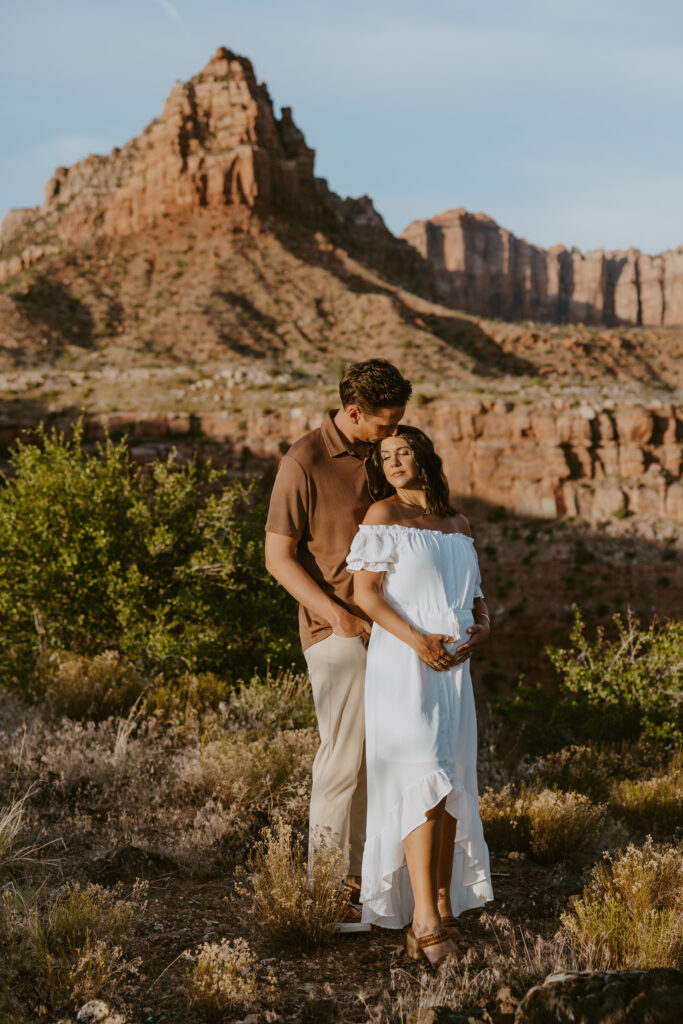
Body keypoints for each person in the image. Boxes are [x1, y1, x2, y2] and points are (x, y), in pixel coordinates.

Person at [264, 359, 412, 931]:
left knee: (375, 764)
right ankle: (322, 894)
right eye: (382, 423)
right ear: (353, 412)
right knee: (341, 762)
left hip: (389, 631)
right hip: (338, 633)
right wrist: (337, 618)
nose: (390, 433)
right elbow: (278, 558)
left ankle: (359, 884)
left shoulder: (381, 455)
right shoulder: (304, 462)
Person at [347, 425, 494, 965]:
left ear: (424, 456)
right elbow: (365, 594)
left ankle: (441, 905)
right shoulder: (382, 516)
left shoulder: (458, 523)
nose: (393, 461)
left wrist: (483, 626)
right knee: (422, 778)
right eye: (384, 455)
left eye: (403, 451)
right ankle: (424, 924)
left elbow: (476, 596)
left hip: (455, 666)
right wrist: (415, 640)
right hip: (405, 663)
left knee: (452, 780)